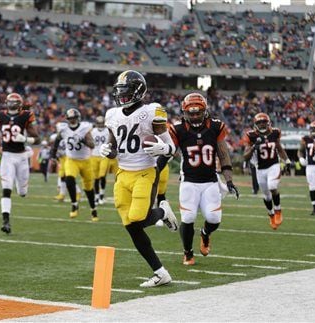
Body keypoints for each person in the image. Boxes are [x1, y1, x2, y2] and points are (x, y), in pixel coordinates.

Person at [100, 70, 179, 287]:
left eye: (126, 92)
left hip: (145, 172)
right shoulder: (112, 115)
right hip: (122, 174)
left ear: (138, 91)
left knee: (137, 217)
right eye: (120, 92)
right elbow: (114, 146)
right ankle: (160, 272)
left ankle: (163, 211)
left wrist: (164, 148)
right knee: (131, 226)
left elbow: (171, 146)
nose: (122, 96)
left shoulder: (152, 111)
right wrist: (108, 150)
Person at [167, 93, 239, 266]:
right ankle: (188, 253)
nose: (194, 116)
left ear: (205, 110)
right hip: (189, 181)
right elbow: (168, 150)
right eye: (190, 113)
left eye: (198, 112)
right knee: (188, 217)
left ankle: (205, 234)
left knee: (214, 219)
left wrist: (229, 180)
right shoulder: (178, 129)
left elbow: (223, 154)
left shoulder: (216, 127)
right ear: (184, 112)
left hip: (210, 180)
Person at [0, 92, 40, 234]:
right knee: (6, 188)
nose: (11, 104)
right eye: (9, 102)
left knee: (22, 192)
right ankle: (6, 221)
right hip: (7, 156)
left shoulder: (26, 116)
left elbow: (37, 139)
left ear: (19, 104)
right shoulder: (0, 115)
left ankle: (22, 189)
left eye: (14, 102)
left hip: (22, 157)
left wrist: (24, 139)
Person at [243, 113, 291, 230]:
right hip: (260, 169)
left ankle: (278, 210)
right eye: (259, 122)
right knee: (266, 195)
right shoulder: (251, 136)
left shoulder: (274, 133)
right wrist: (254, 147)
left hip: (273, 165)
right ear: (255, 124)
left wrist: (287, 161)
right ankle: (271, 214)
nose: (262, 124)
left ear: (268, 122)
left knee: (272, 186)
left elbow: (279, 148)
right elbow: (245, 156)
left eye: (263, 121)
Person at [50, 108, 98, 221]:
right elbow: (57, 140)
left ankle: (93, 209)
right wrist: (53, 154)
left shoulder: (84, 128)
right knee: (69, 180)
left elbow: (92, 145)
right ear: (67, 119)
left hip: (86, 161)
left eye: (74, 118)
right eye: (70, 118)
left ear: (78, 118)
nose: (72, 120)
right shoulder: (64, 129)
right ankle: (74, 204)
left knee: (88, 188)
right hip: (72, 160)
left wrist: (83, 140)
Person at [91, 116, 110, 204]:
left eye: (102, 122)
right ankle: (96, 196)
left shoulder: (108, 131)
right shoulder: (93, 131)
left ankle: (102, 194)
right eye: (99, 123)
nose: (100, 124)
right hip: (94, 155)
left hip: (103, 156)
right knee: (96, 178)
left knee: (102, 176)